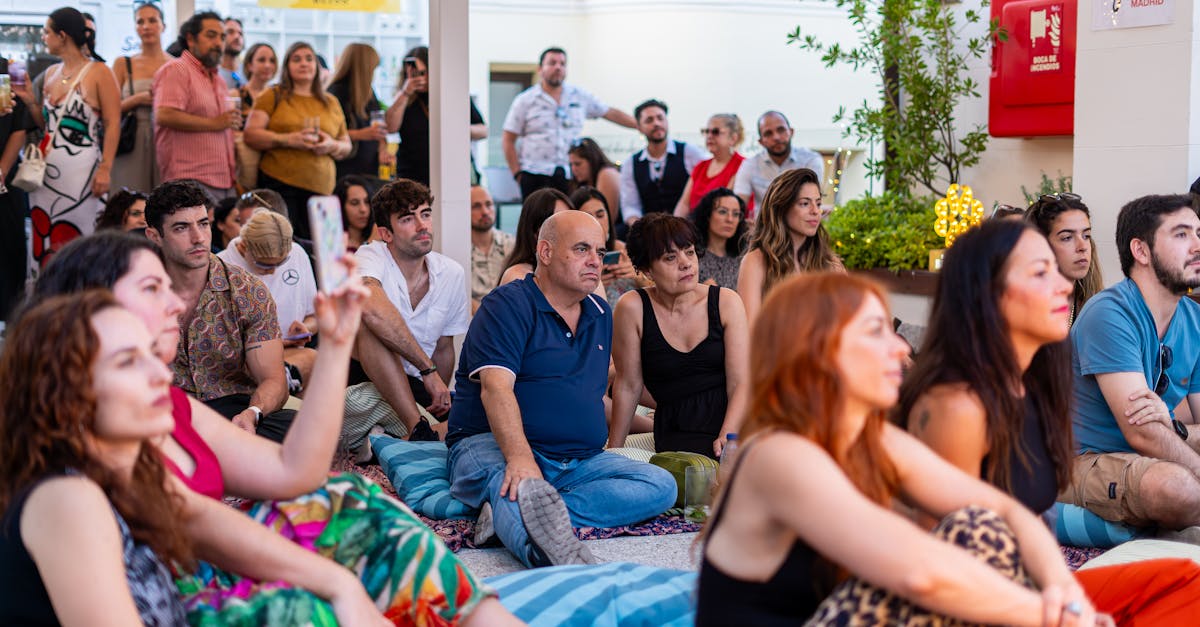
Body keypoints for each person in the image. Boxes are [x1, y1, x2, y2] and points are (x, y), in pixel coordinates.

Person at [30, 231, 522, 625]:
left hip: (204, 570)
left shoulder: (161, 408)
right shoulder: (65, 491)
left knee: (349, 501)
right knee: (306, 599)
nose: (177, 303)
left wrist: (334, 343)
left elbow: (280, 479)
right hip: (189, 589)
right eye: (152, 288)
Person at [695, 272, 1106, 626]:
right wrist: (1053, 616)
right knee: (969, 557)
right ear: (817, 352)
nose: (901, 348)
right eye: (875, 331)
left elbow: (1007, 510)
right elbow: (920, 574)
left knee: (982, 530)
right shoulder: (779, 454)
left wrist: (1067, 594)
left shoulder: (871, 439)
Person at [0, 291, 392, 626]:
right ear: (63, 392)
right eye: (126, 361)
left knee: (349, 516)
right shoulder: (67, 498)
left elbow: (208, 517)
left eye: (153, 355)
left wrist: (341, 586)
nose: (160, 375)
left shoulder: (124, 468)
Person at [902, 219, 1200, 624]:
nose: (1063, 285)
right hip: (973, 608)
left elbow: (1028, 521)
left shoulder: (1038, 383)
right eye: (1041, 273)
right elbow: (933, 558)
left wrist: (1065, 595)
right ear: (989, 292)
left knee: (1188, 583)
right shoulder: (957, 407)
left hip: (1033, 592)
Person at [446, 210, 677, 568]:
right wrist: (521, 459)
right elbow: (496, 389)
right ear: (546, 252)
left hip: (577, 460)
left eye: (600, 252)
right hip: (493, 444)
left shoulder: (600, 313)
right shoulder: (506, 304)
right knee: (513, 484)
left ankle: (523, 513)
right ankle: (547, 552)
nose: (594, 262)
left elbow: (595, 392)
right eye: (582, 249)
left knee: (660, 485)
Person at [1062, 194, 1200, 531]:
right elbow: (1141, 434)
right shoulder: (1109, 313)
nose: (1197, 244)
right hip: (1082, 459)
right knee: (1178, 488)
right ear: (1141, 251)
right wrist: (1169, 435)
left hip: (1149, 451)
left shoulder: (1195, 318)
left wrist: (1173, 427)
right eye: (1182, 235)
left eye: (1199, 233)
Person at [143, 179, 296, 442]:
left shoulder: (248, 291)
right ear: (155, 236)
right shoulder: (136, 289)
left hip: (232, 410)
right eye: (181, 228)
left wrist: (253, 413)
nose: (198, 238)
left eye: (203, 224)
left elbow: (273, 380)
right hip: (161, 412)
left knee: (298, 426)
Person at [609, 213, 749, 458]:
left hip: (734, 425)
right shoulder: (632, 307)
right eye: (669, 257)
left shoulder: (726, 301)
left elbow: (740, 382)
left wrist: (728, 436)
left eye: (690, 252)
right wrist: (613, 453)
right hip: (674, 433)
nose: (685, 263)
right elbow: (629, 385)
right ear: (647, 270)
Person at [347, 179, 468, 447]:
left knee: (479, 413)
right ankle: (417, 429)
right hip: (360, 377)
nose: (422, 225)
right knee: (370, 325)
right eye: (407, 219)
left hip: (416, 384)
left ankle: (395, 440)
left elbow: (445, 347)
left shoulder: (451, 273)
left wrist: (439, 394)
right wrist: (429, 371)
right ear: (386, 233)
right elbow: (372, 308)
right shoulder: (369, 256)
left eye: (425, 214)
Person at [27, 7, 120, 273]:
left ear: (63, 35)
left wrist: (106, 168)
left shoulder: (100, 72)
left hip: (82, 169)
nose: (44, 37)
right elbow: (45, 124)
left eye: (47, 32)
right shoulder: (50, 73)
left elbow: (113, 122)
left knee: (81, 234)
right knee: (43, 238)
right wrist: (27, 99)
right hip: (45, 171)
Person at [244, 41, 352, 241]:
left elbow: (346, 145)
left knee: (325, 252)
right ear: (287, 66)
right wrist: (288, 140)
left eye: (309, 59)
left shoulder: (331, 102)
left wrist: (331, 145)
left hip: (323, 189)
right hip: (281, 184)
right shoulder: (273, 95)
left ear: (317, 66)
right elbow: (251, 134)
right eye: (297, 59)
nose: (304, 63)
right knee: (284, 244)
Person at [502, 47, 636, 198]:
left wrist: (639, 125)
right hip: (534, 174)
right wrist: (517, 173)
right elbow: (508, 139)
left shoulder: (578, 96)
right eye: (552, 63)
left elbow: (609, 112)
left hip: (569, 174)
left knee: (568, 217)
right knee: (535, 219)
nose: (558, 67)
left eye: (562, 64)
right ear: (540, 69)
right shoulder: (525, 100)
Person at [217, 210, 319, 394]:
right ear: (243, 246)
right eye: (264, 265)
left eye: (280, 264)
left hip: (292, 354)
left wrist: (306, 328)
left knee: (316, 360)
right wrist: (269, 344)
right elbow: (219, 342)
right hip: (245, 364)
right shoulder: (221, 266)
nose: (273, 272)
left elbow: (314, 316)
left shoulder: (297, 254)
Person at [737, 167, 843, 322]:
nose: (815, 211)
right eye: (805, 203)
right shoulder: (756, 261)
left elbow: (847, 323)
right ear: (782, 207)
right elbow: (751, 332)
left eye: (818, 203)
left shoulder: (830, 264)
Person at [153, 11, 238, 201]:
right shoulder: (177, 69)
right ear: (191, 39)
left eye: (222, 37)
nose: (218, 43)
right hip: (189, 181)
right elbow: (165, 115)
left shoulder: (219, 80)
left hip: (224, 181)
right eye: (211, 35)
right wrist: (215, 123)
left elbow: (224, 126)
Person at [383, 45, 486, 186]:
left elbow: (482, 130)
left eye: (424, 72)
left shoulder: (453, 95)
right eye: (415, 73)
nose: (421, 78)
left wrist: (459, 129)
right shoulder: (404, 99)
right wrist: (406, 92)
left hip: (452, 169)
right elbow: (390, 127)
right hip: (412, 173)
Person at [618, 99, 707, 230]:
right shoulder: (630, 163)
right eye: (649, 120)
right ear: (639, 127)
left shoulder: (690, 152)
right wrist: (641, 228)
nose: (656, 123)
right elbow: (630, 206)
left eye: (660, 118)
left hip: (688, 227)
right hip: (649, 230)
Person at [109, 1, 167, 195]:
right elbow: (109, 109)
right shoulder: (123, 63)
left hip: (166, 137)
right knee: (128, 196)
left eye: (152, 20)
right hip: (132, 137)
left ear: (163, 25)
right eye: (140, 21)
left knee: (165, 200)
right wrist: (138, 99)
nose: (146, 26)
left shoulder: (175, 64)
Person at [1025, 192, 1104, 328]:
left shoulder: (1097, 306)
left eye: (1086, 236)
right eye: (1067, 237)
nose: (1082, 247)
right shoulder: (1017, 311)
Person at [0, 68, 37, 322]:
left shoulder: (5, 70)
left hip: (6, 176)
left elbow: (19, 125)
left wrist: (1, 171)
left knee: (9, 245)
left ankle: (11, 316)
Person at [733, 110, 825, 211]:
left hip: (800, 224)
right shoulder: (750, 165)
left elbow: (811, 201)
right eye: (768, 133)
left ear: (791, 132)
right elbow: (739, 205)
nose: (776, 137)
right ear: (761, 142)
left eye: (781, 130)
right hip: (762, 225)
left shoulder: (810, 160)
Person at [328, 43, 390, 181]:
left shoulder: (369, 92)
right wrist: (361, 134)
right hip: (345, 171)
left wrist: (382, 148)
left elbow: (378, 127)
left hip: (369, 169)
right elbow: (329, 134)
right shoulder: (335, 94)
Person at [569, 186, 638, 307]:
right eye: (588, 217)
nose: (596, 223)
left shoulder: (624, 249)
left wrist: (638, 276)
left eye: (600, 215)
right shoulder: (571, 258)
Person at [673, 114, 746, 217]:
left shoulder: (742, 166)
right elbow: (684, 203)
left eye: (715, 132)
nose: (709, 136)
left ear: (733, 138)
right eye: (707, 131)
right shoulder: (701, 166)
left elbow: (723, 209)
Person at [498, 187, 572, 286]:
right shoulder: (518, 277)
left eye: (569, 221)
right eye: (558, 223)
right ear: (534, 231)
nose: (568, 229)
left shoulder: (579, 270)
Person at [234, 42, 278, 191]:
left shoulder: (278, 97)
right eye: (261, 60)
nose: (267, 65)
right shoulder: (236, 96)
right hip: (244, 167)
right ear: (249, 65)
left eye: (272, 61)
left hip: (272, 165)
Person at [693, 188, 749, 289]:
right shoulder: (693, 256)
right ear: (707, 215)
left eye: (736, 214)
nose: (730, 219)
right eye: (723, 212)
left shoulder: (744, 255)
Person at [470, 184, 514, 312]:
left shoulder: (512, 245)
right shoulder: (459, 250)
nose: (485, 211)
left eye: (489, 204)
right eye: (476, 206)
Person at [568, 137, 620, 218]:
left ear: (592, 160)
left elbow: (608, 218)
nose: (573, 169)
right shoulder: (584, 182)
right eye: (571, 165)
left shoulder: (607, 173)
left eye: (578, 164)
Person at [334, 174, 377, 251]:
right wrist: (369, 243)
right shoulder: (334, 245)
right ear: (340, 206)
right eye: (354, 203)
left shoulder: (378, 235)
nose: (363, 209)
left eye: (367, 202)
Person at [218, 17, 244, 89]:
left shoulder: (250, 71)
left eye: (240, 33)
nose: (237, 36)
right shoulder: (211, 73)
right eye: (230, 32)